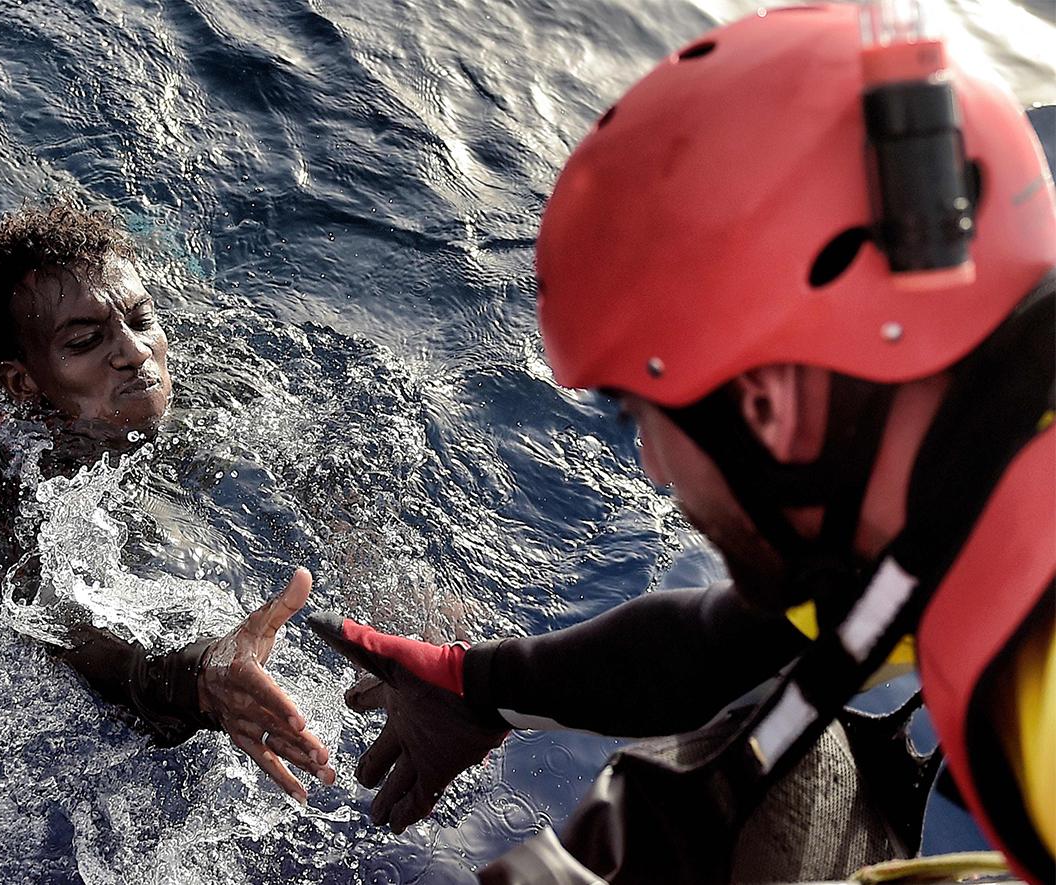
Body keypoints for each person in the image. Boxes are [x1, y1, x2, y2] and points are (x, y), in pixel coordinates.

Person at [313, 4, 1054, 882]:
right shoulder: (952, 504)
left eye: (641, 413)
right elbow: (713, 647)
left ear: (771, 406)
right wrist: (474, 685)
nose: (651, 467)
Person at [0, 203, 336, 803]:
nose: (134, 352)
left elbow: (328, 490)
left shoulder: (222, 391)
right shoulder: (13, 474)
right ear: (24, 383)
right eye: (85, 341)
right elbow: (55, 626)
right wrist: (194, 682)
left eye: (142, 318)